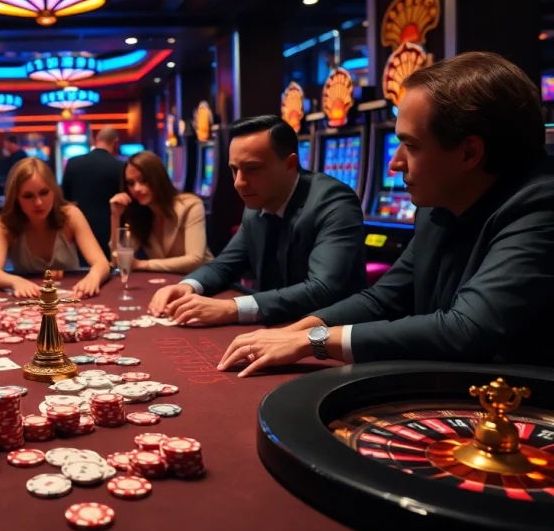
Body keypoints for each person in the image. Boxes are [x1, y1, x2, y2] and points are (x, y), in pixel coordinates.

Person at [220, 51, 554, 377]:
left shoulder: (541, 205)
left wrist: (313, 342)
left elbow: (465, 328)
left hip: (520, 409)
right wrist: (296, 330)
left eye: (411, 146)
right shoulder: (437, 208)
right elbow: (383, 299)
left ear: (469, 152)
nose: (394, 163)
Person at [148, 115, 367, 327]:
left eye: (252, 169)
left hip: (329, 335)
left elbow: (323, 288)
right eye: (234, 169)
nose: (239, 183)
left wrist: (232, 308)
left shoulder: (333, 201)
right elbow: (225, 266)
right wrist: (188, 285)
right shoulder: (257, 205)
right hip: (278, 328)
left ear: (290, 164)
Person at [0, 157, 110, 298]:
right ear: (16, 199)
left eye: (44, 192)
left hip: (72, 298)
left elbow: (101, 263)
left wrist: (92, 278)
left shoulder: (70, 215)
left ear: (54, 191)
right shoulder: (4, 224)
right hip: (29, 301)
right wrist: (16, 282)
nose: (38, 202)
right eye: (28, 196)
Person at [109, 150, 212, 274]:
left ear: (158, 178)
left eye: (143, 180)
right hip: (169, 283)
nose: (136, 188)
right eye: (131, 183)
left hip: (204, 281)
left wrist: (141, 264)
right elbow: (118, 263)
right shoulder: (140, 214)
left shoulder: (190, 206)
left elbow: (195, 260)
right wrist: (115, 216)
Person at [61, 125, 124, 259]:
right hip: (110, 231)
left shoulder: (73, 163)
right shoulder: (120, 167)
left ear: (96, 139)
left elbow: (66, 200)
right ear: (115, 142)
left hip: (79, 230)